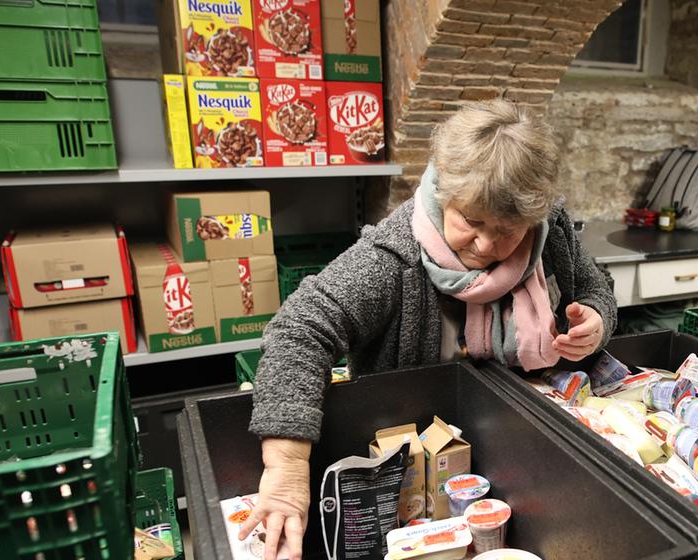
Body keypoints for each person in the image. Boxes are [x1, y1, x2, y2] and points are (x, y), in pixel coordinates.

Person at [239, 100, 618, 559]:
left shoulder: (550, 231)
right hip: (417, 472)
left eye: (509, 230)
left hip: (529, 445)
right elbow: (299, 330)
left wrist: (597, 319)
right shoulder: (391, 258)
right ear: (444, 193)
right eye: (471, 222)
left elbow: (596, 283)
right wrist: (286, 466)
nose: (487, 245)